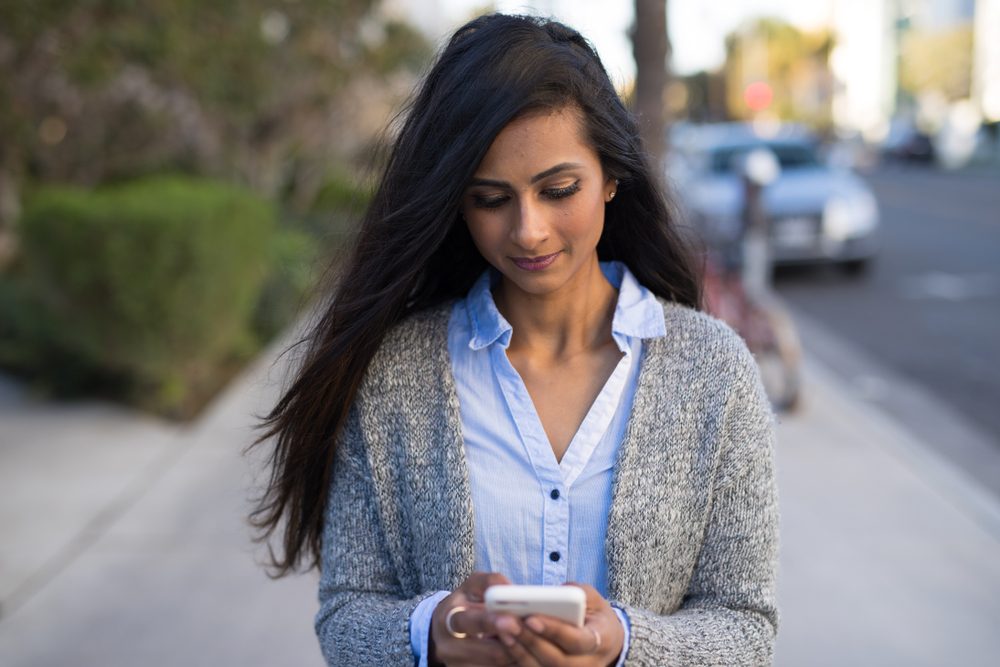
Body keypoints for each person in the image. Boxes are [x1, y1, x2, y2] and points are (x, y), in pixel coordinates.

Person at [250, 12, 779, 667]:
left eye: (558, 190)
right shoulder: (397, 374)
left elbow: (746, 624)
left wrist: (624, 642)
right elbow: (348, 612)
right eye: (491, 198)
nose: (527, 230)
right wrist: (427, 634)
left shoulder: (713, 371)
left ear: (611, 175)